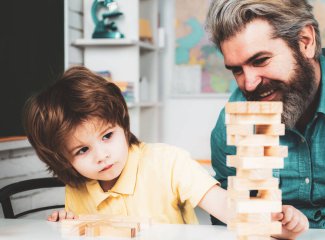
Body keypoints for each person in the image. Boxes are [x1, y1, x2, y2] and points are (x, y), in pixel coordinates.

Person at [23, 66, 308, 239]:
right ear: (64, 160)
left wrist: (280, 224)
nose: (101, 155)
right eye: (83, 150)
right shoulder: (79, 186)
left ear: (122, 125)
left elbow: (228, 208)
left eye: (107, 136)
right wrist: (70, 227)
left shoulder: (167, 162)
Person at [206, 0, 325, 230]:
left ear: (305, 42)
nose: (248, 84)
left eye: (260, 60)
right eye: (237, 69)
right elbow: (226, 214)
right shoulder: (230, 126)